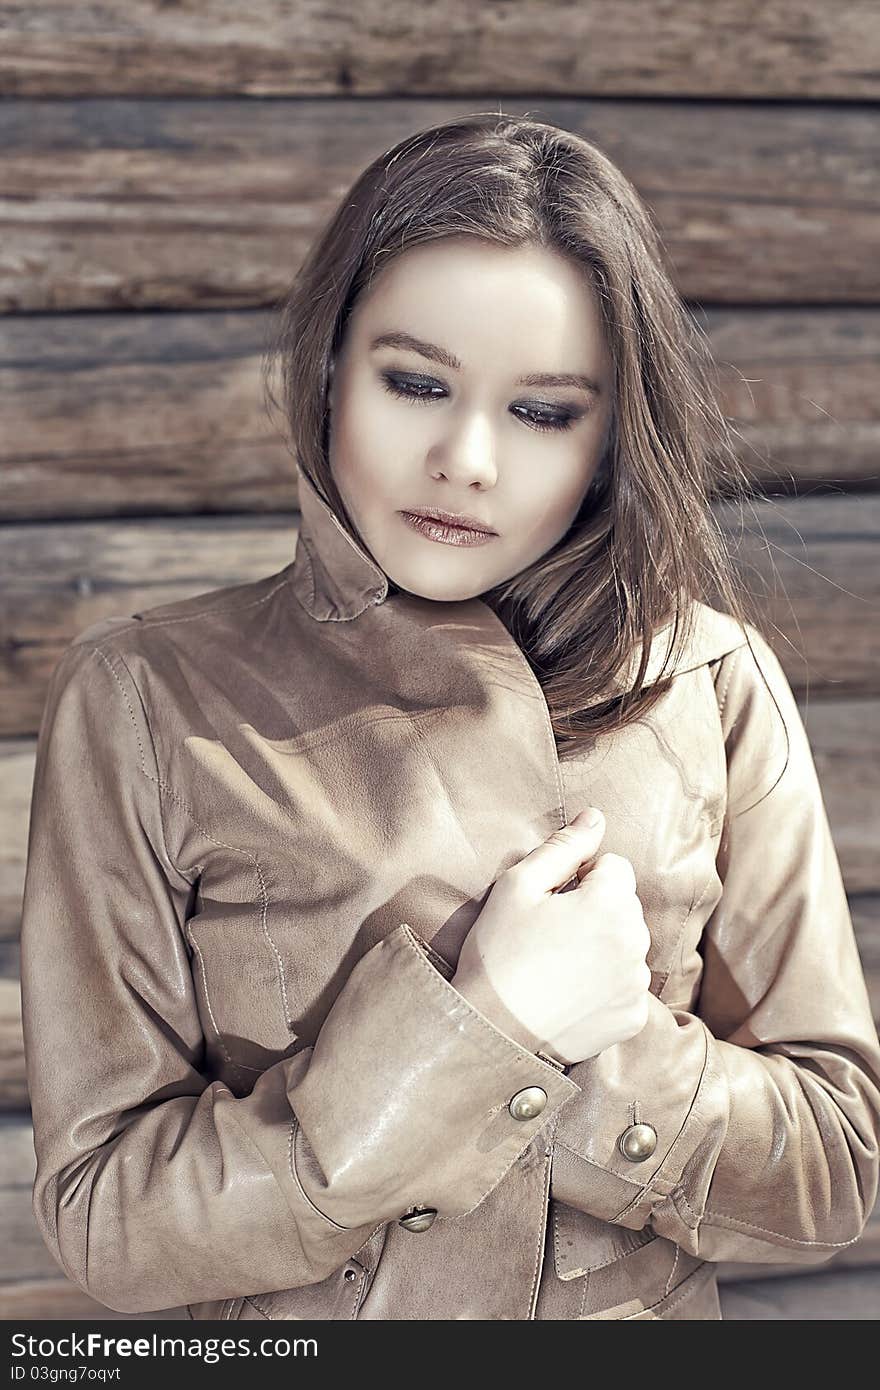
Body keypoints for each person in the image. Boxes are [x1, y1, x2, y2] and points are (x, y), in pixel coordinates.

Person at [19, 112, 880, 1322]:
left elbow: (836, 1167)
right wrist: (488, 1026)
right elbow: (108, 1217)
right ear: (330, 367)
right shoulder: (150, 698)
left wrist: (606, 1049)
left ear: (608, 435)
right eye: (414, 381)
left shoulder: (712, 680)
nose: (465, 458)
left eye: (542, 412)